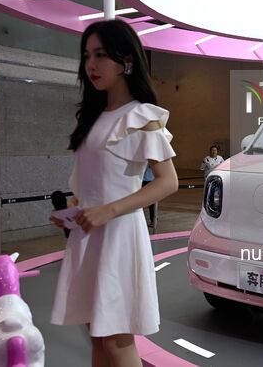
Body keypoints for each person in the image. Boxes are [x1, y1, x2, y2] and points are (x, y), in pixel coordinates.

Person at [49, 19, 178, 367]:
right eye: (87, 55)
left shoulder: (141, 116)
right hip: (88, 234)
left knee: (117, 340)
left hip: (119, 236)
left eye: (102, 54)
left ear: (127, 61)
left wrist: (108, 210)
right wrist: (76, 208)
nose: (91, 64)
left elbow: (168, 181)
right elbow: (92, 183)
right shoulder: (92, 117)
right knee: (98, 335)